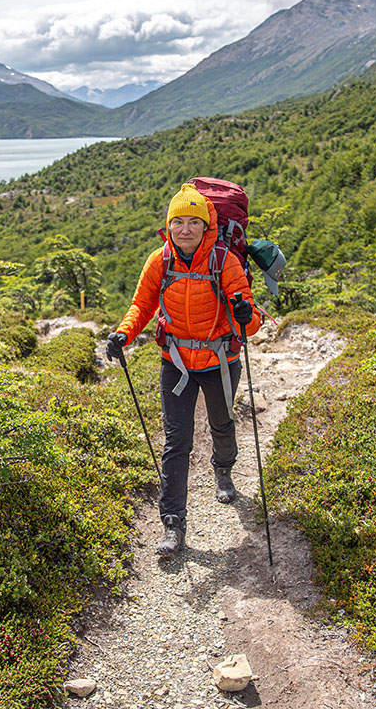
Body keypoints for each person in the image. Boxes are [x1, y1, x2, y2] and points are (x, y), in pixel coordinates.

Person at [106, 183, 261, 557]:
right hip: (175, 362)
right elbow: (141, 306)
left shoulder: (226, 261)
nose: (186, 229)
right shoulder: (159, 261)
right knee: (177, 442)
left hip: (221, 360)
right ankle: (173, 523)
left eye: (194, 222)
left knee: (221, 423)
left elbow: (252, 320)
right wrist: (124, 334)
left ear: (208, 226)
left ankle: (223, 469)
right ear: (169, 225)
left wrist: (244, 317)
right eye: (179, 221)